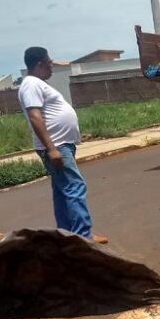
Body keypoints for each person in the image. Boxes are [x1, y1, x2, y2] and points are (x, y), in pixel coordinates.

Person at [18, 47, 108, 243]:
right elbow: (35, 116)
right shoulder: (31, 84)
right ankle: (83, 237)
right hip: (56, 146)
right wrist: (51, 149)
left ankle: (65, 235)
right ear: (40, 63)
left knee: (62, 191)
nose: (52, 65)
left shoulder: (36, 84)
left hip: (60, 145)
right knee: (75, 187)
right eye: (49, 62)